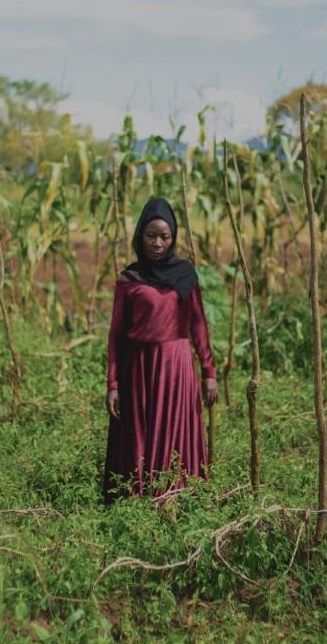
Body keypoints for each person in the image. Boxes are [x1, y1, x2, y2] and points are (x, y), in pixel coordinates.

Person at [103, 197, 218, 504]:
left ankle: (177, 495)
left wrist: (209, 372)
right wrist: (113, 383)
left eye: (164, 236)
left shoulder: (185, 275)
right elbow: (115, 335)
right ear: (140, 235)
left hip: (177, 366)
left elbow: (198, 326)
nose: (157, 242)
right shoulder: (129, 280)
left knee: (175, 430)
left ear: (173, 238)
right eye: (151, 235)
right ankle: (140, 497)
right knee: (141, 432)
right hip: (138, 368)